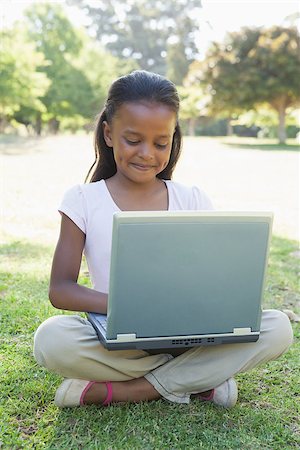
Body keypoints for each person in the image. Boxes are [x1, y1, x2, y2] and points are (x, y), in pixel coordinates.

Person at [33, 70, 293, 409]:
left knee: (278, 327)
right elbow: (61, 290)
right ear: (109, 134)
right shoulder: (82, 199)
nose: (147, 154)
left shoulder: (192, 198)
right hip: (122, 337)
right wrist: (130, 307)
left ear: (174, 139)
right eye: (133, 140)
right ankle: (200, 380)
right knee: (51, 339)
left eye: (160, 143)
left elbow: (212, 277)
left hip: (192, 335)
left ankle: (134, 390)